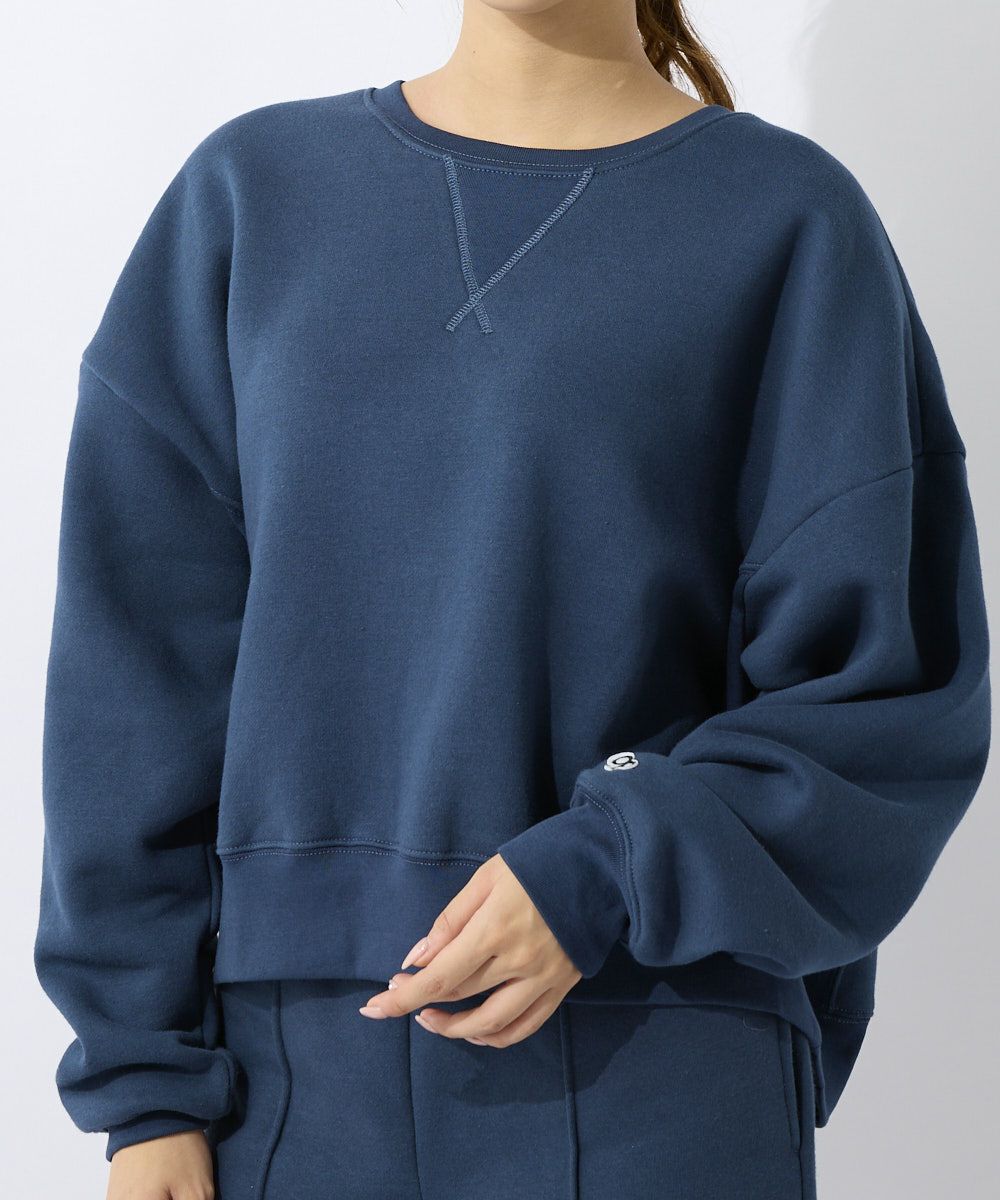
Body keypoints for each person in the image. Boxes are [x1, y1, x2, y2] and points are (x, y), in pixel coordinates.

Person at [34, 1, 991, 1198]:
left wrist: (613, 861)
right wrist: (145, 1085)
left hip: (662, 1052)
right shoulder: (250, 196)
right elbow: (134, 678)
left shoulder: (789, 220)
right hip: (296, 1083)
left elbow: (888, 698)